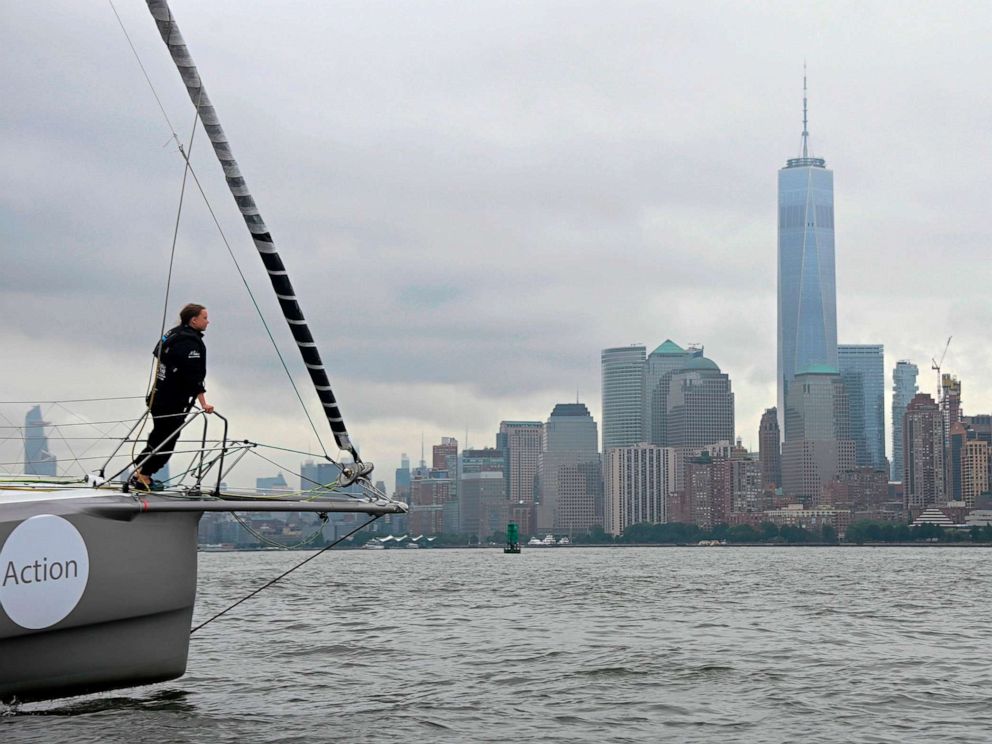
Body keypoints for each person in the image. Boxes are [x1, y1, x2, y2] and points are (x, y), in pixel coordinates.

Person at [130, 303, 214, 492]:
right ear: (194, 320)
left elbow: (157, 351)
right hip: (173, 401)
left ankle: (140, 471)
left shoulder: (174, 333)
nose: (208, 322)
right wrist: (204, 404)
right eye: (205, 318)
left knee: (158, 435)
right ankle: (144, 476)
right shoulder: (190, 343)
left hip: (157, 397)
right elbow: (193, 377)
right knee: (167, 440)